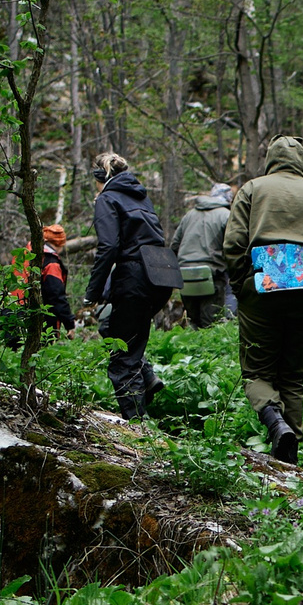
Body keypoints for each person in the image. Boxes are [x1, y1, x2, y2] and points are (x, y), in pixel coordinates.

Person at [221, 136, 303, 463]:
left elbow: (233, 245)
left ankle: (275, 423)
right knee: (292, 376)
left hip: (262, 286)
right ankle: (289, 461)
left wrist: (241, 285)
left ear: (271, 159)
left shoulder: (252, 189)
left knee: (257, 373)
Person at [86, 153, 174, 417]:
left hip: (135, 277)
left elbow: (109, 246)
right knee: (129, 341)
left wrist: (92, 292)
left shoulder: (107, 198)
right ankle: (147, 378)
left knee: (122, 356)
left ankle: (138, 427)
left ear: (100, 178)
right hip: (161, 276)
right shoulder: (141, 196)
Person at [174, 182, 236, 327]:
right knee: (211, 324)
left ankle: (191, 349)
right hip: (211, 275)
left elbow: (174, 245)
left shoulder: (189, 215)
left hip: (185, 275)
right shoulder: (226, 215)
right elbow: (234, 245)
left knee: (193, 321)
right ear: (229, 200)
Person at [20, 224, 76, 335]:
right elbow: (56, 296)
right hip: (39, 322)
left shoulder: (26, 254)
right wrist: (69, 324)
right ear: (60, 244)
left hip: (13, 315)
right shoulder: (51, 264)